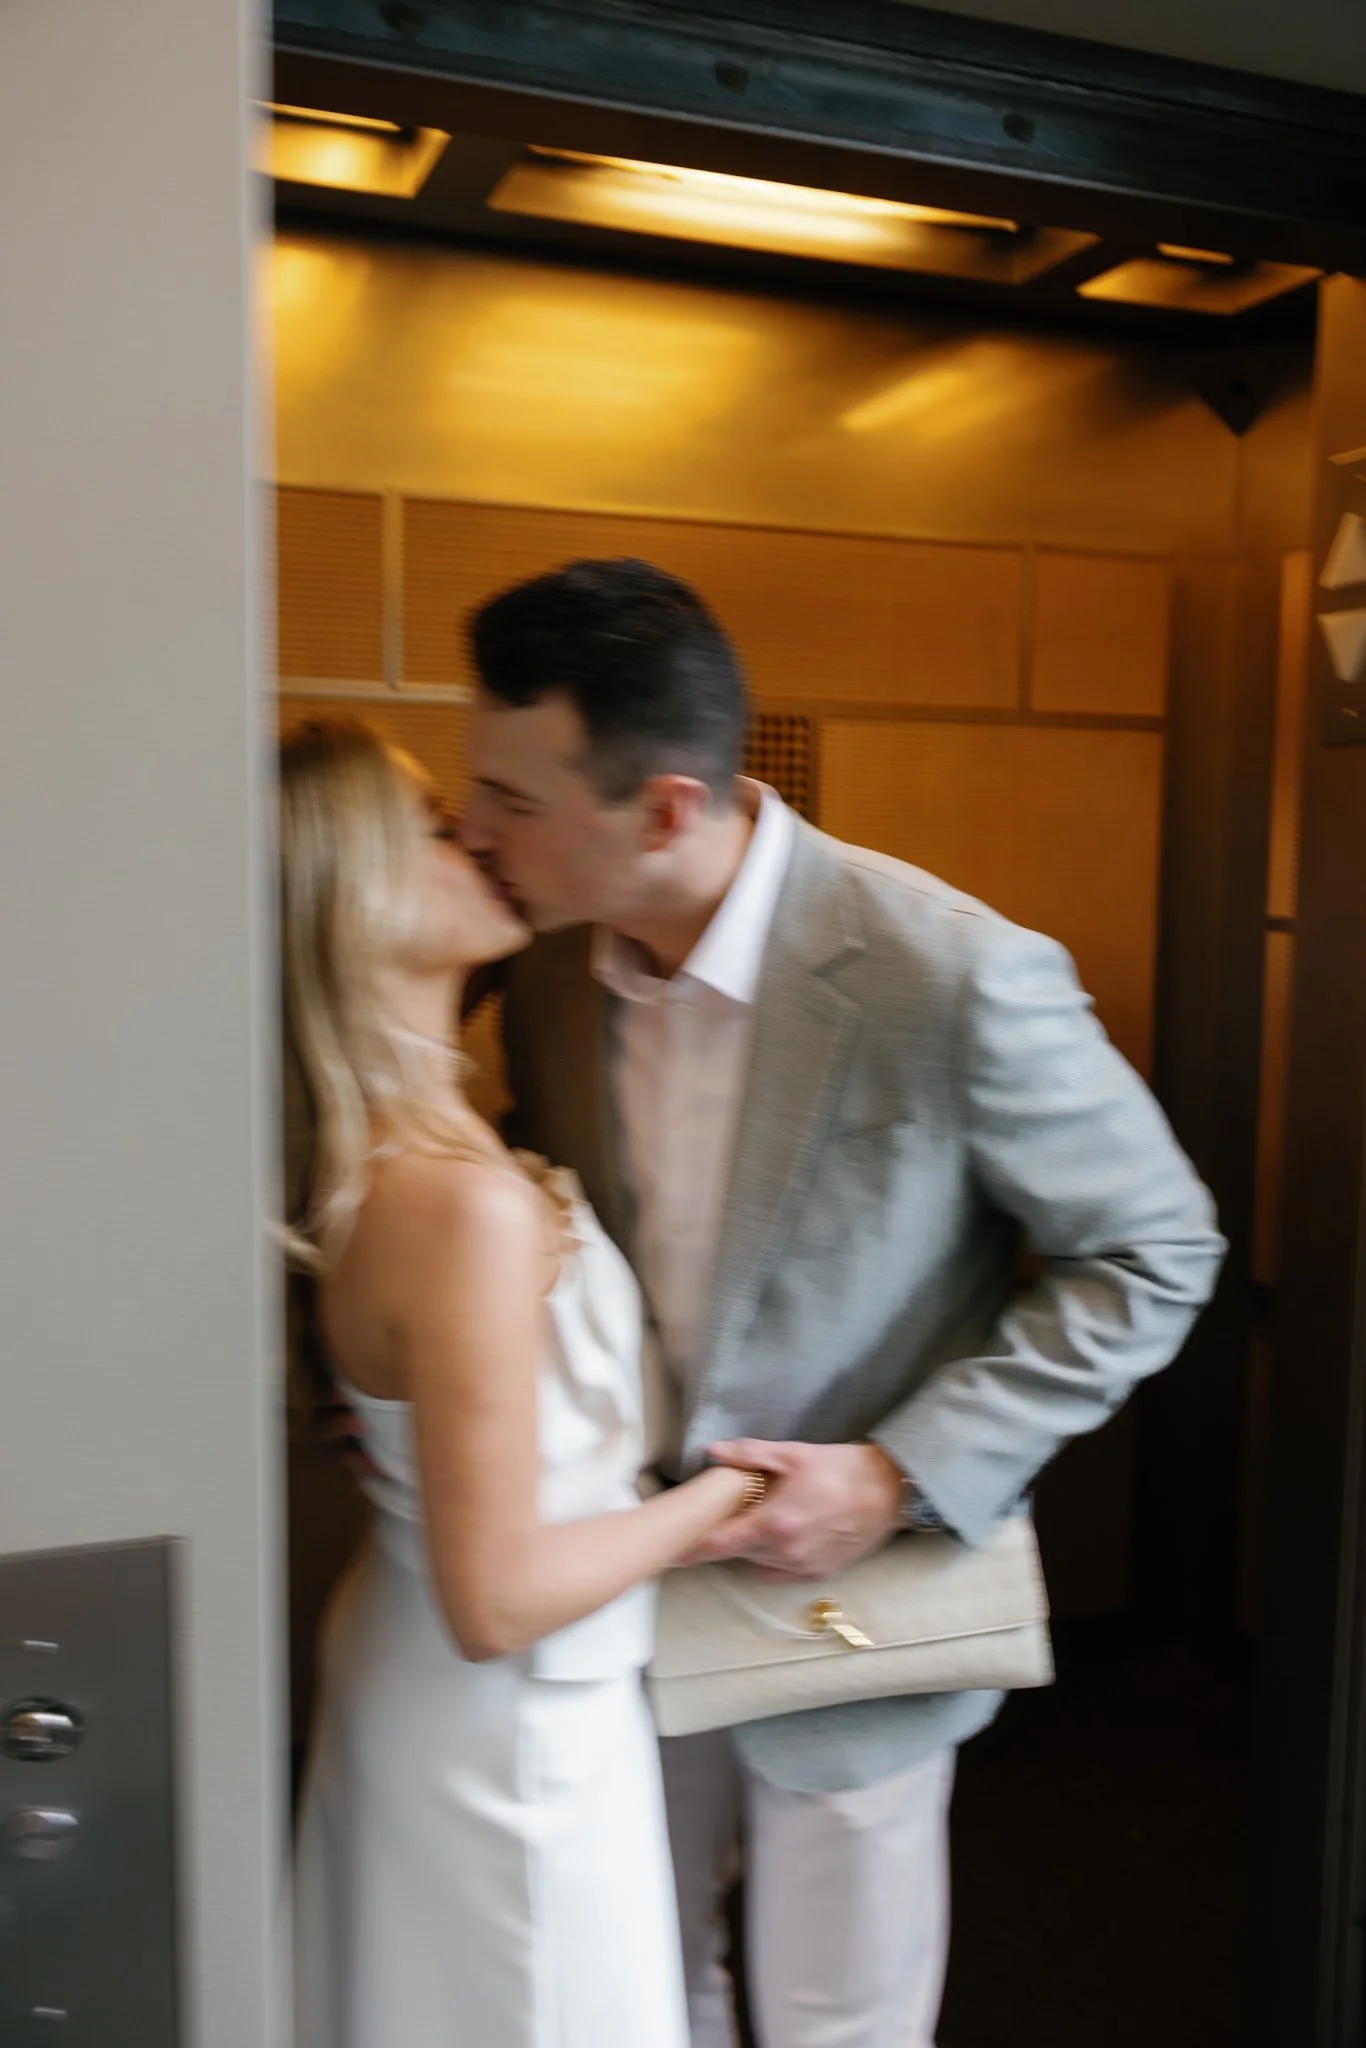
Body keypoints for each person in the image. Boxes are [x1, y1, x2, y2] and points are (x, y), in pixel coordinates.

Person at [457, 557, 1227, 2048]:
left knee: (839, 2023)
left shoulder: (950, 972)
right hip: (613, 1597)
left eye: (512, 799)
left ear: (664, 810)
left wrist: (899, 1475)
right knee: (637, 1988)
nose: (475, 832)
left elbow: (1154, 1251)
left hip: (853, 1609)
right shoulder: (545, 972)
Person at [281, 717, 767, 2048]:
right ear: (350, 893)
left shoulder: (419, 1146)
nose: (483, 839)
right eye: (438, 827)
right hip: (509, 1727)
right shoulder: (456, 1204)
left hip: (455, 1688)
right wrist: (728, 1501)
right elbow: (494, 1599)